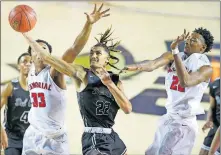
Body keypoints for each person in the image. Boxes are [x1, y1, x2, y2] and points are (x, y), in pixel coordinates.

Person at [23, 25, 131, 155]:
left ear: (107, 59)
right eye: (91, 53)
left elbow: (127, 108)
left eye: (98, 53)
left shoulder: (115, 81)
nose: (93, 56)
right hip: (93, 137)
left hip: (112, 136)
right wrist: (25, 33)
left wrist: (109, 84)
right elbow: (52, 56)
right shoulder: (82, 74)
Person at [21, 4, 110, 155]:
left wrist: (88, 24)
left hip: (54, 139)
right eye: (37, 48)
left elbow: (75, 48)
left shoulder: (54, 72)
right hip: (33, 134)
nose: (40, 51)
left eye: (44, 49)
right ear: (31, 55)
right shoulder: (29, 72)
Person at [122, 27, 214, 155]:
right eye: (188, 39)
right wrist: (136, 66)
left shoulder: (206, 69)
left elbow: (185, 82)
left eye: (193, 40)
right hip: (169, 117)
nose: (187, 42)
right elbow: (153, 64)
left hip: (184, 123)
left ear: (202, 48)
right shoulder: (172, 56)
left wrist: (175, 51)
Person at [1, 53, 32, 155]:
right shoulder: (10, 87)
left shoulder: (37, 89)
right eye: (24, 62)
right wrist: (1, 131)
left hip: (31, 139)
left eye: (31, 62)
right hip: (12, 139)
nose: (28, 64)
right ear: (18, 66)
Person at [200, 78, 220, 155]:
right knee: (203, 152)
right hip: (216, 127)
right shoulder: (215, 84)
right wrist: (209, 120)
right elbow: (212, 106)